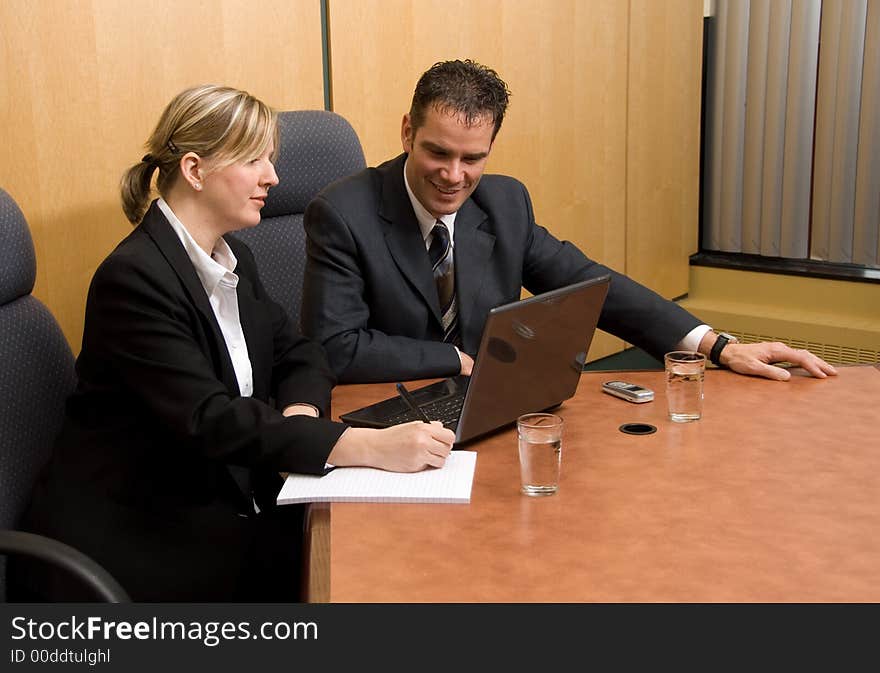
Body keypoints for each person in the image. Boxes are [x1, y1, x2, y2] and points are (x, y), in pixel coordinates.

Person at [9, 85, 454, 602]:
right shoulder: (133, 280)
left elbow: (301, 352)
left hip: (221, 496)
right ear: (195, 170)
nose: (273, 177)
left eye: (271, 159)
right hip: (140, 535)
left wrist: (303, 414)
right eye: (254, 160)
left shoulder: (230, 257)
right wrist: (367, 446)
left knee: (384, 554)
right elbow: (211, 418)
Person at [301, 59, 837, 384]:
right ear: (405, 134)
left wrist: (717, 346)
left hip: (486, 412)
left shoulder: (504, 203)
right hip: (389, 410)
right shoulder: (343, 213)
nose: (454, 175)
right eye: (437, 153)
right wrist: (455, 359)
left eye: (473, 158)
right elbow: (337, 347)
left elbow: (590, 283)